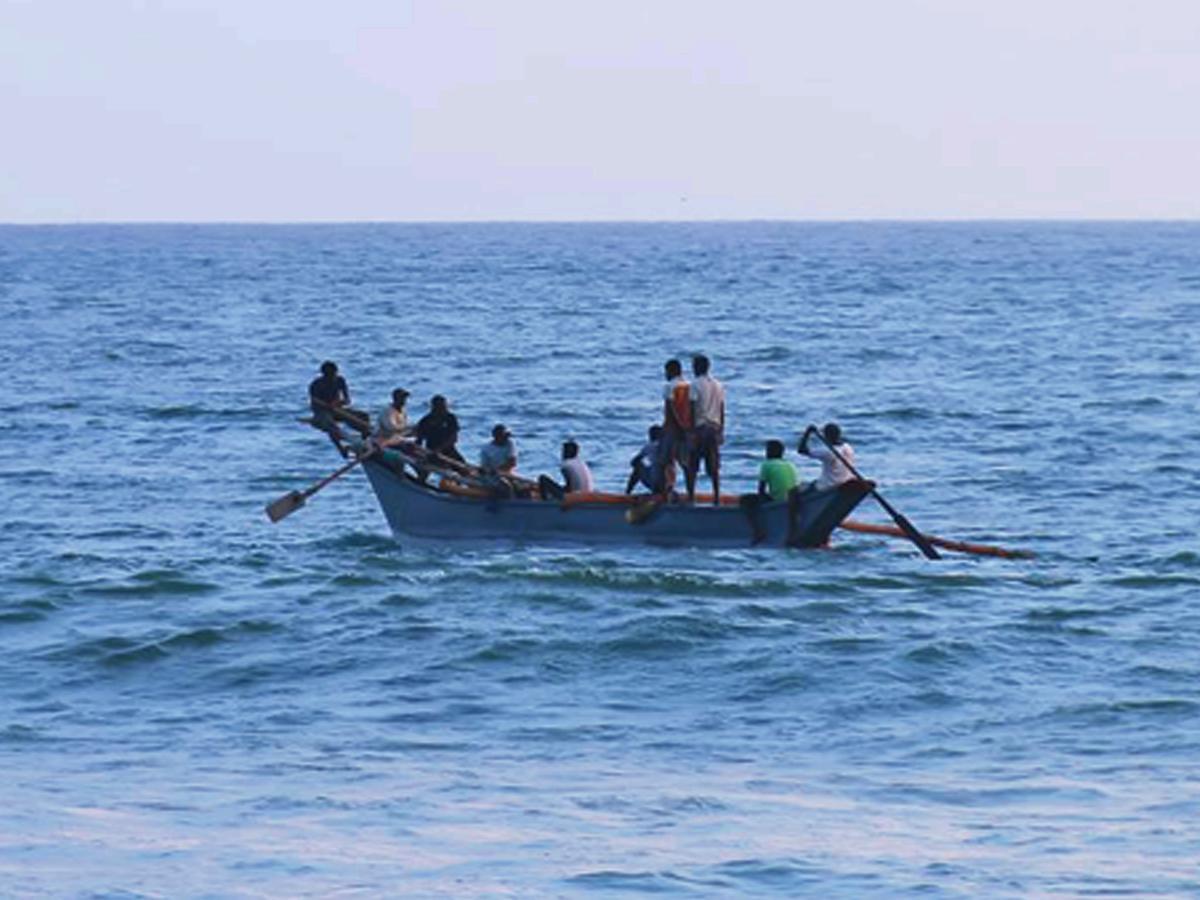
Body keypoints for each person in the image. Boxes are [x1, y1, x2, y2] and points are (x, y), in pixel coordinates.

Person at [308, 360, 370, 457]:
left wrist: (338, 403)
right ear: (324, 375)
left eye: (334, 374)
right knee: (331, 426)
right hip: (322, 411)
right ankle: (341, 449)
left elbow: (347, 399)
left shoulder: (340, 380)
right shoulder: (316, 384)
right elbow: (314, 401)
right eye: (329, 376)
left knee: (364, 416)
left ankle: (365, 444)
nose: (332, 377)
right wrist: (326, 405)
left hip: (337, 409)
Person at [686, 354, 726, 505]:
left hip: (700, 428)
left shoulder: (695, 385)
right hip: (715, 428)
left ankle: (691, 497)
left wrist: (690, 432)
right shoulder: (718, 385)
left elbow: (692, 409)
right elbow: (722, 409)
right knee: (714, 466)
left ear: (697, 367)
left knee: (693, 465)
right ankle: (716, 497)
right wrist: (721, 430)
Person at [658, 358, 692, 496]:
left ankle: (668, 490)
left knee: (665, 461)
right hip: (687, 429)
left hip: (672, 429)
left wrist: (673, 426)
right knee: (686, 464)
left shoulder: (669, 387)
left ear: (670, 371)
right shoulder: (689, 386)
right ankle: (691, 492)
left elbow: (671, 408)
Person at [798, 422, 856, 491]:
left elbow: (801, 450)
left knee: (802, 488)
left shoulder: (827, 452)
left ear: (827, 436)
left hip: (828, 485)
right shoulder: (848, 447)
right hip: (846, 480)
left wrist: (807, 433)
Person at [415, 394, 465, 463]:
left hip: (449, 450)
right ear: (434, 407)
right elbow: (419, 440)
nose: (445, 409)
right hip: (431, 451)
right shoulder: (426, 421)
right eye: (441, 407)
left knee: (463, 465)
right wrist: (419, 453)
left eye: (445, 406)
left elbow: (454, 438)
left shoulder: (450, 418)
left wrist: (439, 450)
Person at [625, 425, 664, 494]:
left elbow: (633, 462)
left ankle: (627, 492)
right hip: (668, 482)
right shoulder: (668, 446)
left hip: (656, 483)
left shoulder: (649, 446)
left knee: (638, 467)